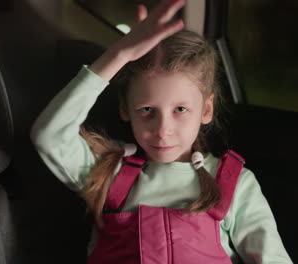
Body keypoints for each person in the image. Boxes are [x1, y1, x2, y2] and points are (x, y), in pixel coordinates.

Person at [30, 0, 292, 263]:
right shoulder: (108, 174)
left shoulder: (234, 184)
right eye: (146, 110)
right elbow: (49, 134)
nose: (162, 130)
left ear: (206, 109)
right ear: (125, 109)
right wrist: (119, 55)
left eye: (180, 109)